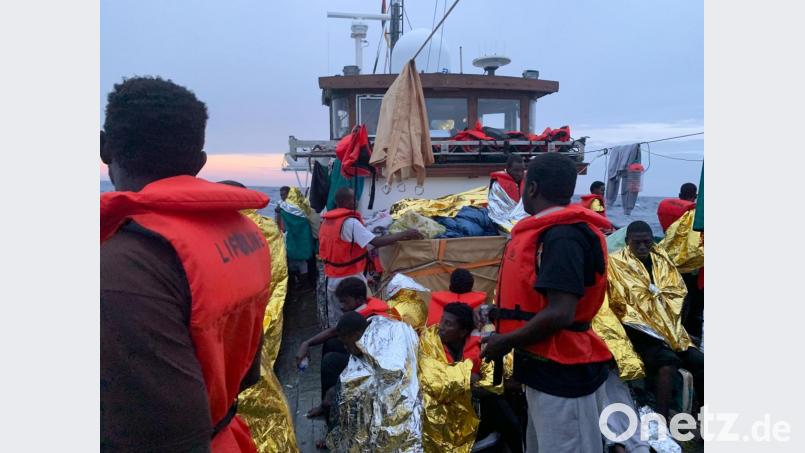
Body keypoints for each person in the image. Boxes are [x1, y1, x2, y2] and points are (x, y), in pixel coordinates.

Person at [100, 77, 270, 452]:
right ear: (200, 161)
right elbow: (245, 374)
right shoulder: (248, 235)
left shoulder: (122, 269)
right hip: (227, 435)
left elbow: (161, 437)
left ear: (104, 147)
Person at [481, 152, 617, 453]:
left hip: (565, 373)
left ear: (531, 188)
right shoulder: (551, 233)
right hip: (543, 370)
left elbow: (561, 313)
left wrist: (504, 341)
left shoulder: (563, 237)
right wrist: (500, 314)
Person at [608, 221, 704, 420]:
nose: (643, 247)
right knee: (667, 363)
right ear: (627, 242)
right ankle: (661, 422)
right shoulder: (615, 264)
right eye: (637, 243)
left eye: (647, 242)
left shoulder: (662, 260)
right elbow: (618, 304)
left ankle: (704, 416)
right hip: (639, 333)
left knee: (700, 361)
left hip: (672, 331)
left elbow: (677, 292)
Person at [296, 277, 399, 420]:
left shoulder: (370, 318)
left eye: (345, 302)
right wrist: (307, 343)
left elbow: (336, 332)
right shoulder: (364, 307)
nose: (342, 306)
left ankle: (332, 415)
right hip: (365, 353)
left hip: (374, 365)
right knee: (331, 344)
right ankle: (326, 404)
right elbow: (334, 332)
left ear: (359, 300)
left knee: (330, 362)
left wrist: (307, 343)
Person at [319, 186, 421, 327]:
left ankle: (337, 342)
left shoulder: (327, 221)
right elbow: (375, 242)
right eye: (353, 198)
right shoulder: (350, 223)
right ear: (346, 201)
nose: (356, 201)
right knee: (358, 318)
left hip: (330, 278)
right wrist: (405, 234)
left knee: (337, 318)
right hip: (349, 279)